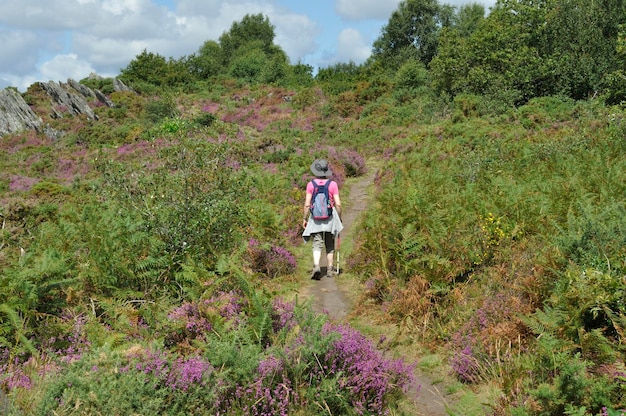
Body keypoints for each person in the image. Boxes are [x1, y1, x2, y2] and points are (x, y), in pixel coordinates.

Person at [302, 159, 343, 280]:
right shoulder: (333, 184)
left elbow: (307, 204)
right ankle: (330, 269)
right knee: (330, 243)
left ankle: (316, 266)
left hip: (315, 218)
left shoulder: (311, 185)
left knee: (317, 243)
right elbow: (338, 204)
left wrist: (305, 218)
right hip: (330, 217)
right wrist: (339, 219)